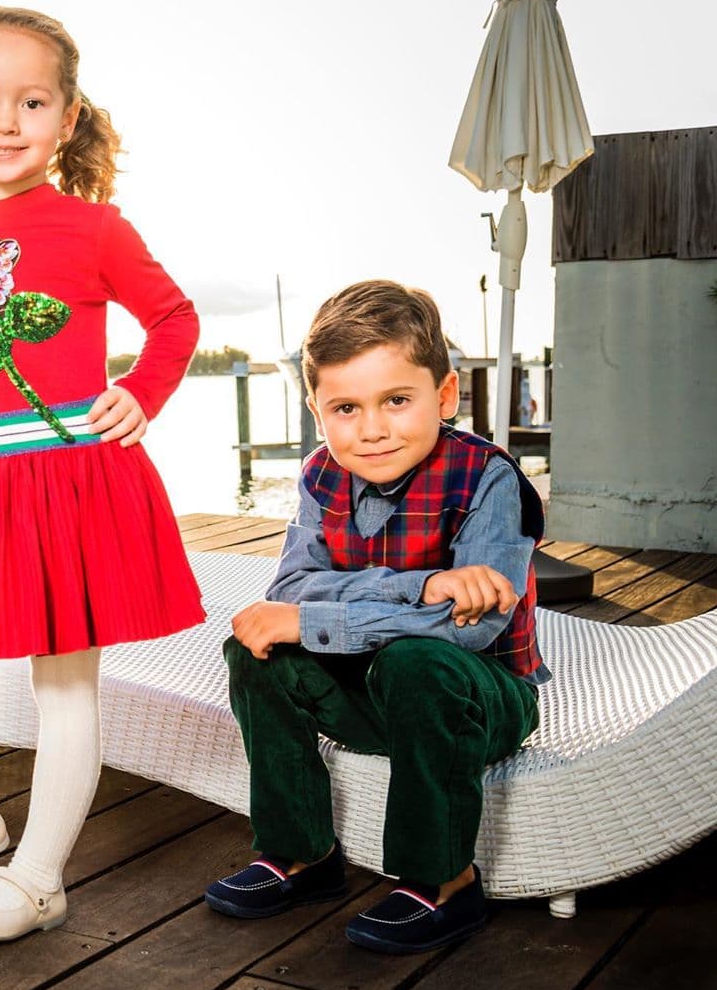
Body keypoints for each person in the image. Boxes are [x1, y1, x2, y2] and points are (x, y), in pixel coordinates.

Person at [0, 6, 204, 942]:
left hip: (64, 483)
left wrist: (141, 392)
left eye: (30, 100)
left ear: (64, 115)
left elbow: (174, 321)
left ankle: (38, 877)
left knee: (64, 688)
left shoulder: (95, 228)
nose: (5, 121)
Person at [204, 280, 547, 954]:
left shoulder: (489, 477)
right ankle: (302, 854)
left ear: (444, 395)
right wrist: (425, 585)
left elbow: (469, 627)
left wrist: (321, 615)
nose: (372, 428)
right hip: (374, 690)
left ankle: (446, 880)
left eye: (396, 399)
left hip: (481, 698)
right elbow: (295, 588)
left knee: (417, 659)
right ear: (316, 410)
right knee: (255, 649)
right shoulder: (318, 477)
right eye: (345, 407)